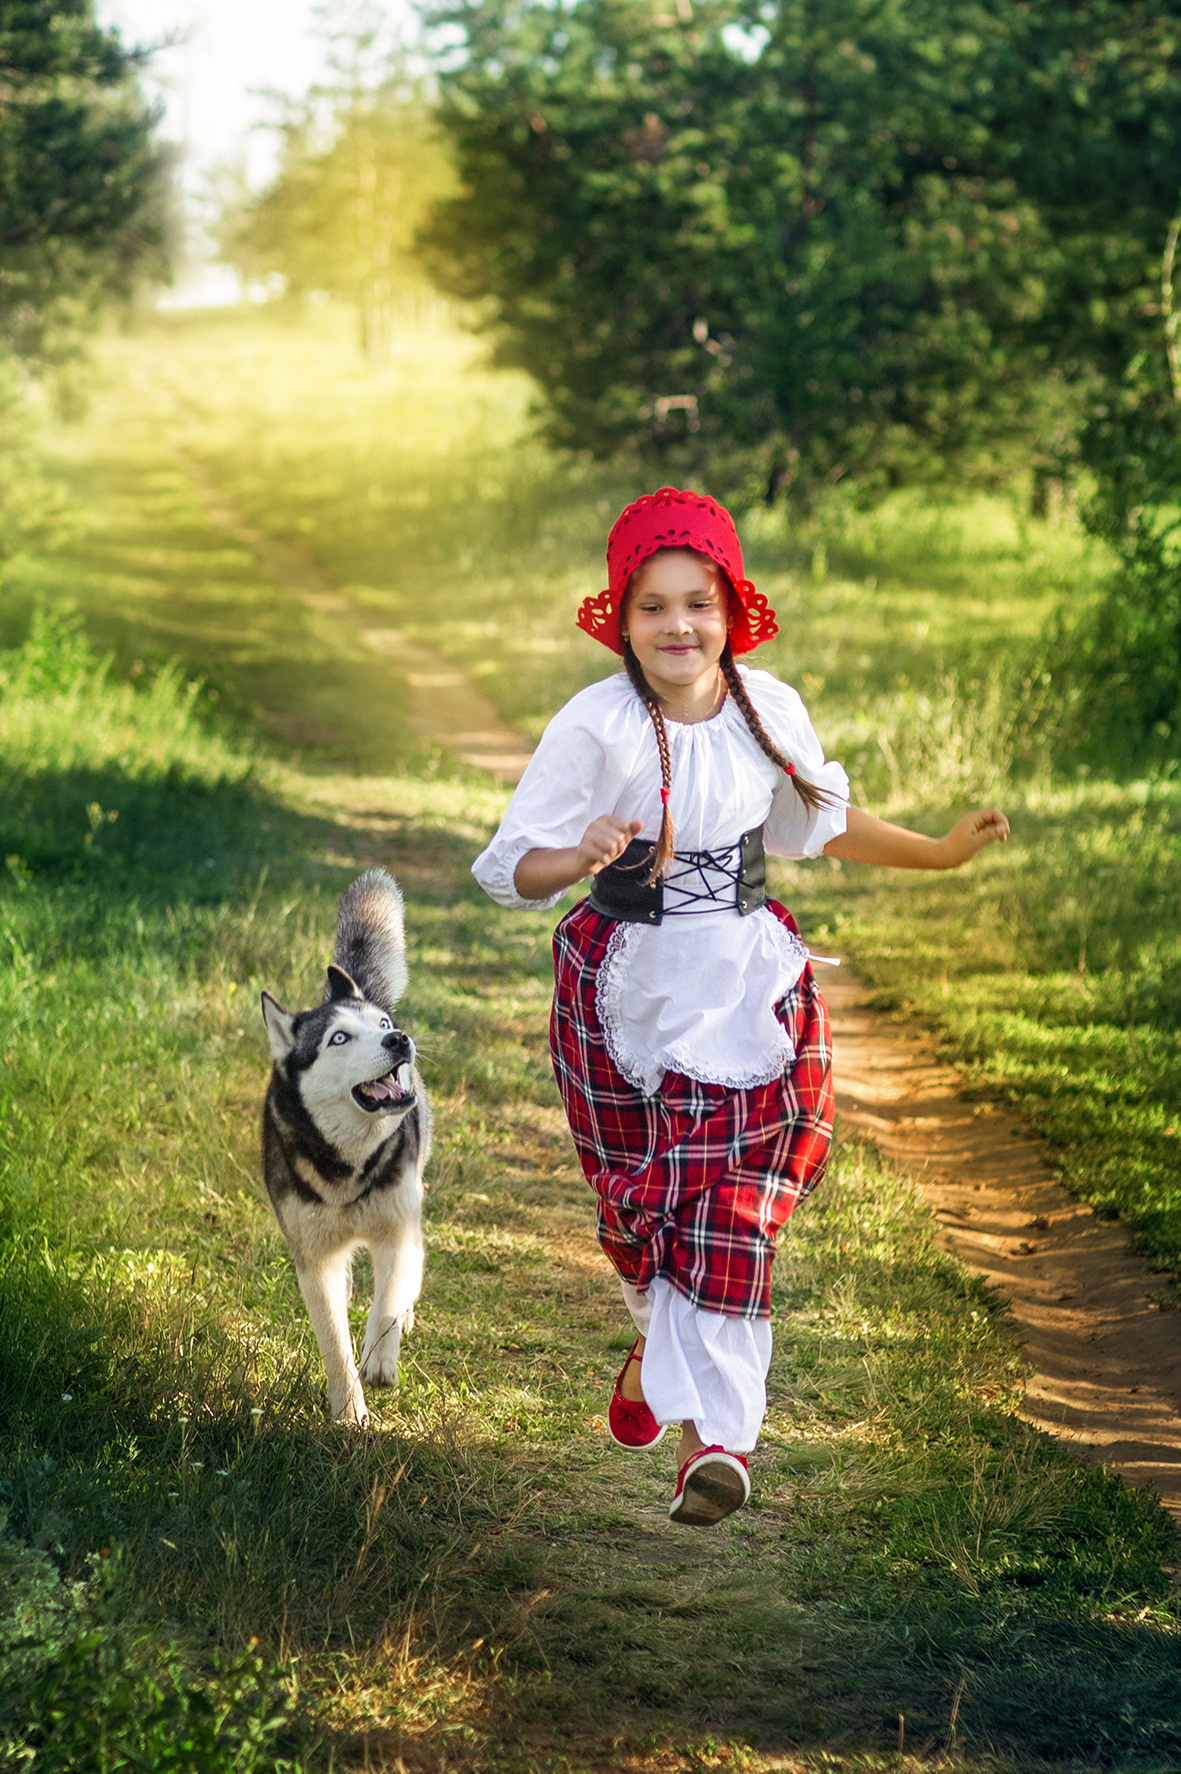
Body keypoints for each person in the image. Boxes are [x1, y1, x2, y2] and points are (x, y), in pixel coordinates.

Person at [472, 487, 1008, 1529]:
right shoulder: (594, 725)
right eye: (654, 607)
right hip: (626, 994)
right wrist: (575, 858)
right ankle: (651, 1359)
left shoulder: (770, 710)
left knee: (736, 1214)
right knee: (645, 1219)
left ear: (731, 610)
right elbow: (508, 869)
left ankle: (712, 1444)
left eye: (699, 603)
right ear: (621, 621)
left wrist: (937, 852)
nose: (679, 626)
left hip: (750, 987)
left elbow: (822, 825)